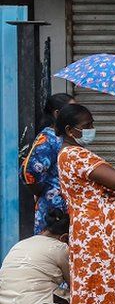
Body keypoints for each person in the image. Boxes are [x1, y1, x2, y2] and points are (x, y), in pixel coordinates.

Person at [56, 104, 115, 304]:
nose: (92, 129)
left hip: (98, 230)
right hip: (97, 233)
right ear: (70, 130)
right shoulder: (74, 154)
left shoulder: (71, 154)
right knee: (100, 284)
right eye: (87, 126)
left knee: (105, 283)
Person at [0, 209, 71, 304]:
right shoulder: (61, 247)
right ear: (65, 237)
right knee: (72, 298)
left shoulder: (20, 244)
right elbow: (74, 285)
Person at [21, 93, 75, 234]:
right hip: (53, 212)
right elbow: (28, 172)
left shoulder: (66, 137)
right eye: (72, 110)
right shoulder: (48, 139)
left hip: (69, 210)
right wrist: (41, 192)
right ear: (57, 114)